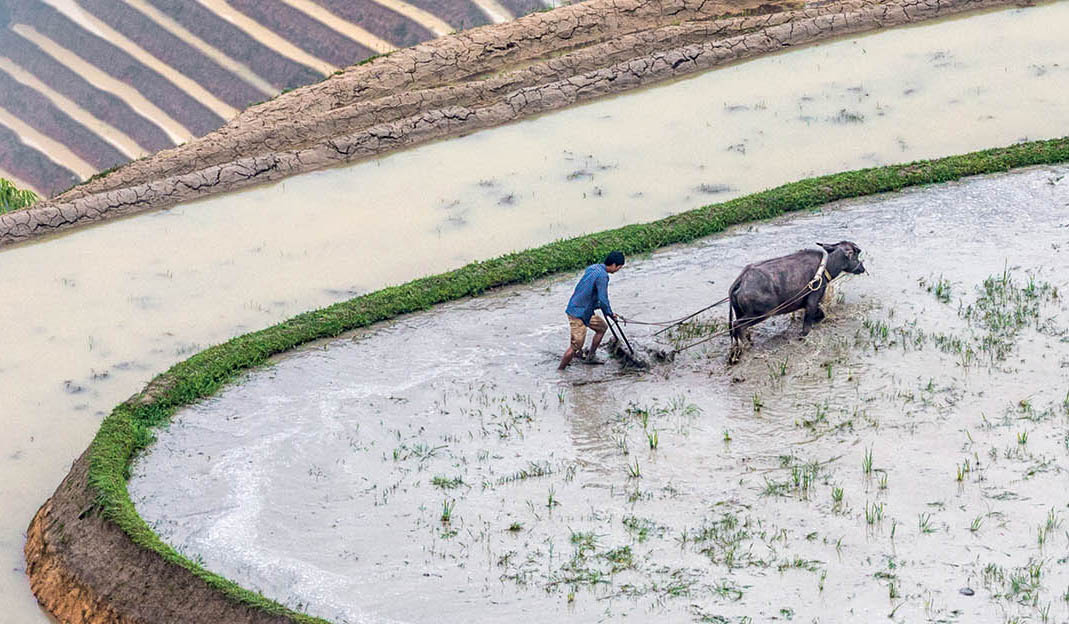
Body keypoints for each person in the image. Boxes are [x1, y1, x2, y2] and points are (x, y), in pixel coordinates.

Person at [558, 251, 625, 370]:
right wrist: (609, 313)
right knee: (576, 346)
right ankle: (560, 371)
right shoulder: (603, 276)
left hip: (584, 309)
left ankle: (591, 356)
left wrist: (598, 305)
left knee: (602, 328)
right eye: (619, 267)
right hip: (578, 313)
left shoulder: (593, 267)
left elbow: (590, 290)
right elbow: (603, 298)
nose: (618, 269)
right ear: (614, 265)